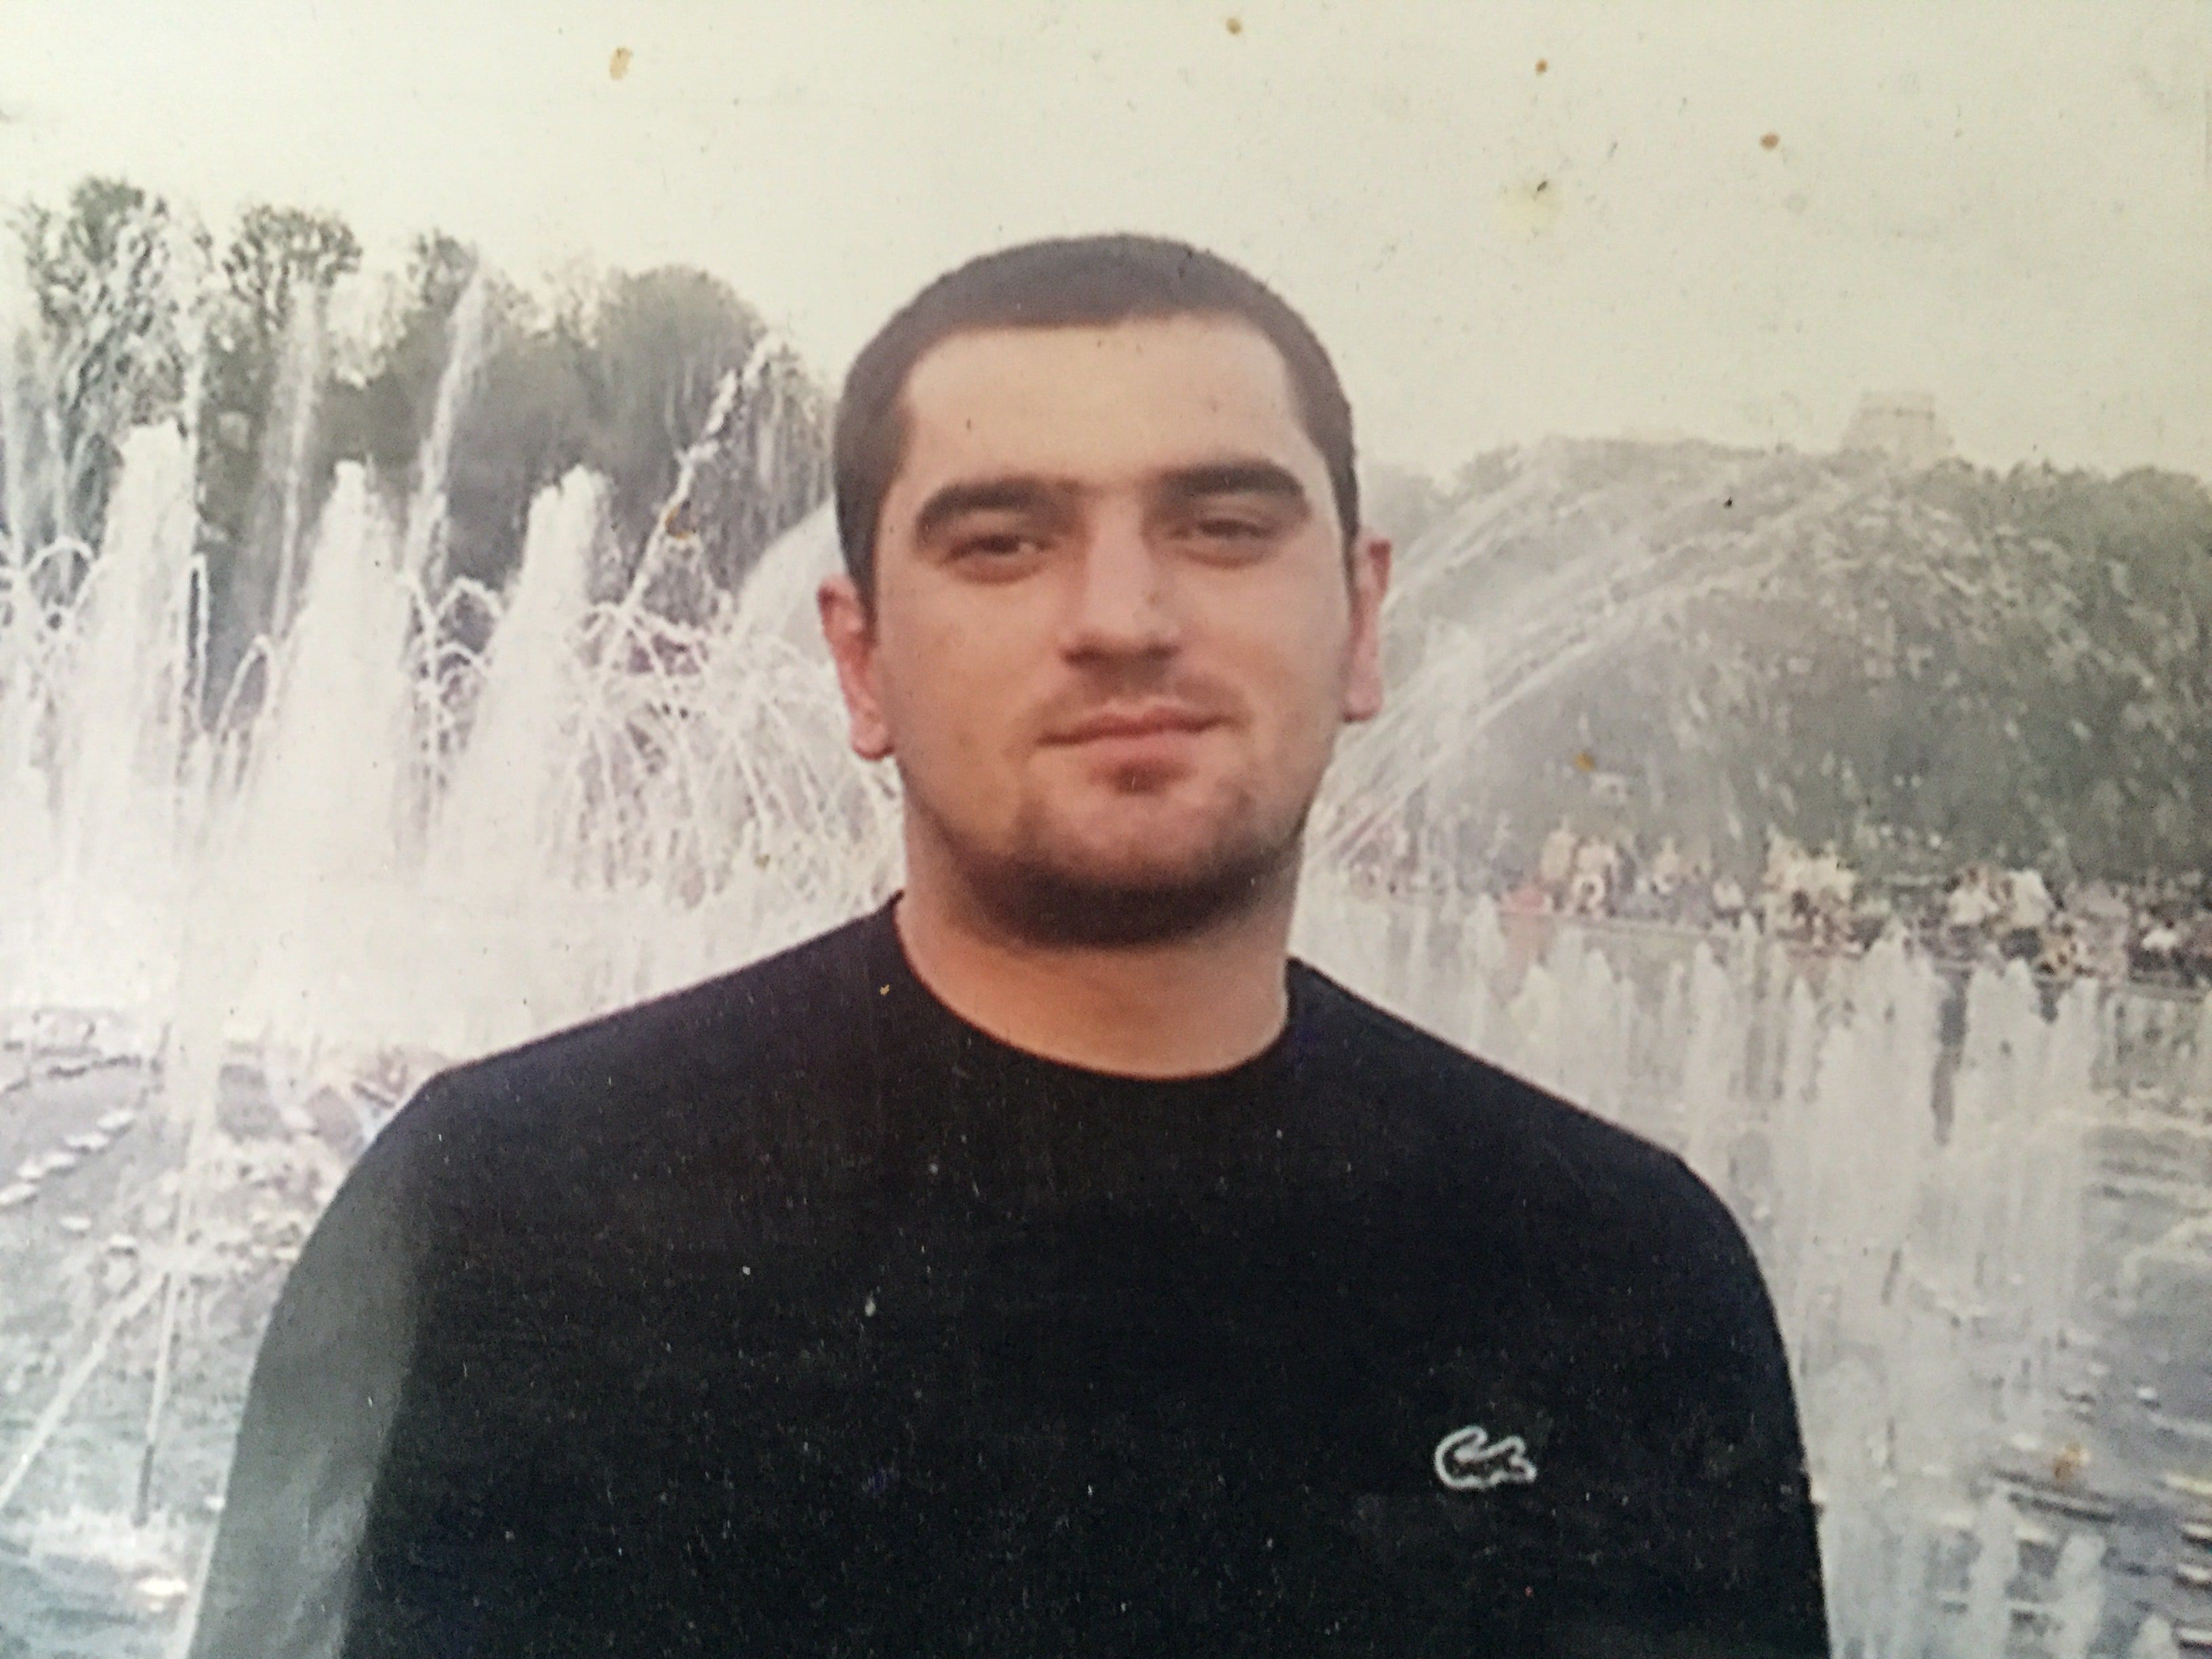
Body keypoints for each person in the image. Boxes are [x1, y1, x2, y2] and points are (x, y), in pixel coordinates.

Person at [187, 234, 1829, 1657]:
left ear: (1361, 616)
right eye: (1002, 542)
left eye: (1223, 525)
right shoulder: (509, 1221)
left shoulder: (1620, 1276)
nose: (1122, 616)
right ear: (861, 661)